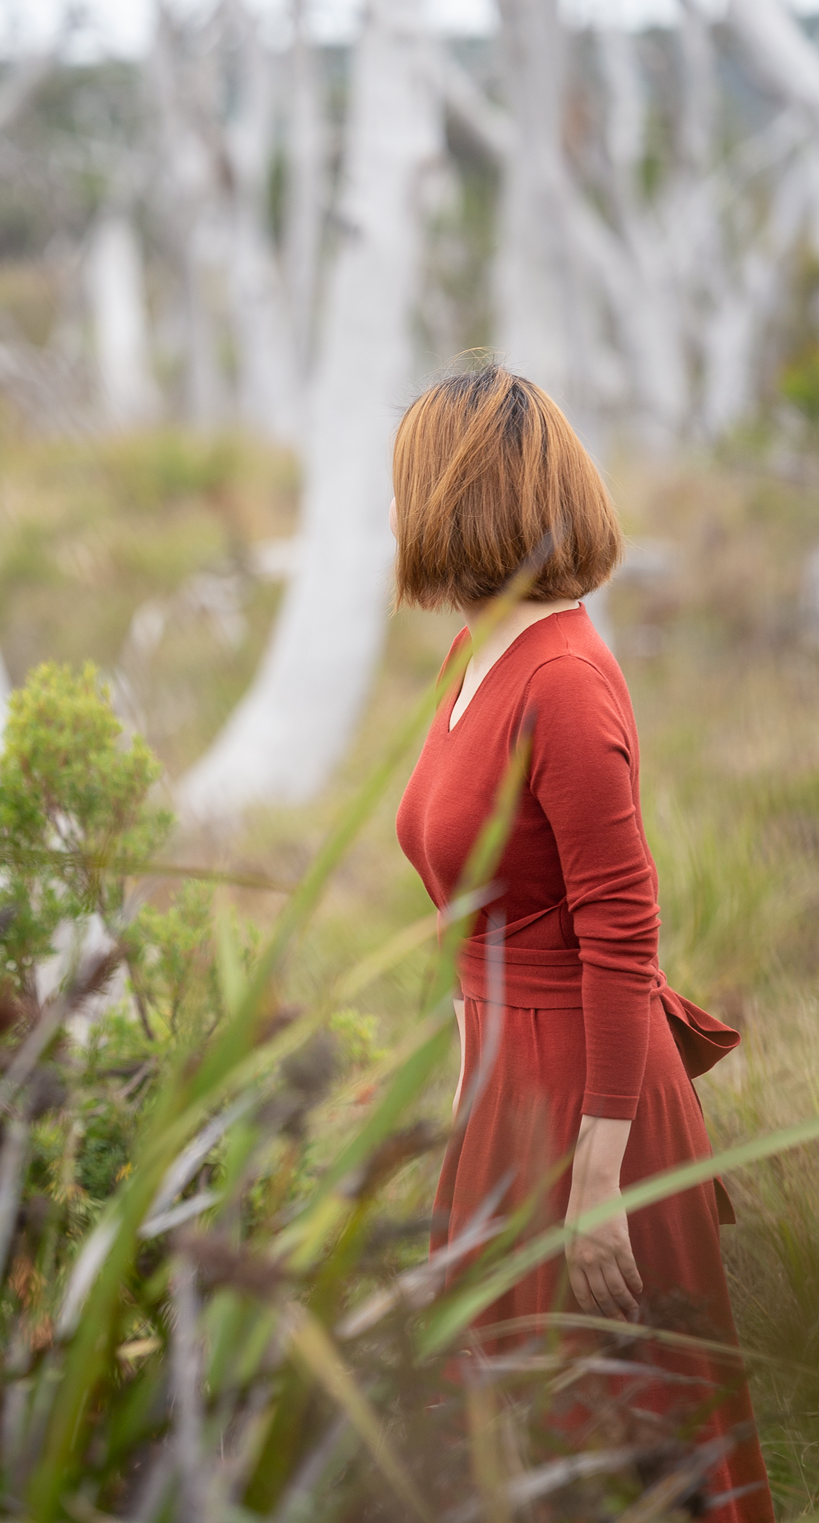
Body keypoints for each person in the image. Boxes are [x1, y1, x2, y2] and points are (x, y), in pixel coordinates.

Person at [393, 362, 773, 1523]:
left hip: (588, 1108)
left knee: (625, 1449)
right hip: (504, 1094)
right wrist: (464, 1126)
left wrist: (597, 1185)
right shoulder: (474, 654)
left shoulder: (562, 676)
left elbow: (621, 929)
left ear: (454, 496)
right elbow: (476, 931)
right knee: (503, 1441)